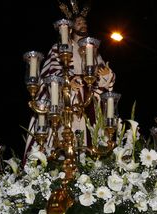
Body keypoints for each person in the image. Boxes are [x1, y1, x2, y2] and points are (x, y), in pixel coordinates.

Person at [24, 5, 115, 158]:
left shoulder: (93, 51)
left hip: (89, 101)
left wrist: (107, 75)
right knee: (67, 139)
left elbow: (101, 78)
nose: (83, 24)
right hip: (68, 100)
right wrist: (67, 81)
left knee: (92, 139)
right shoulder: (59, 48)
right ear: (70, 29)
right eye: (79, 22)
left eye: (84, 22)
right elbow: (50, 72)